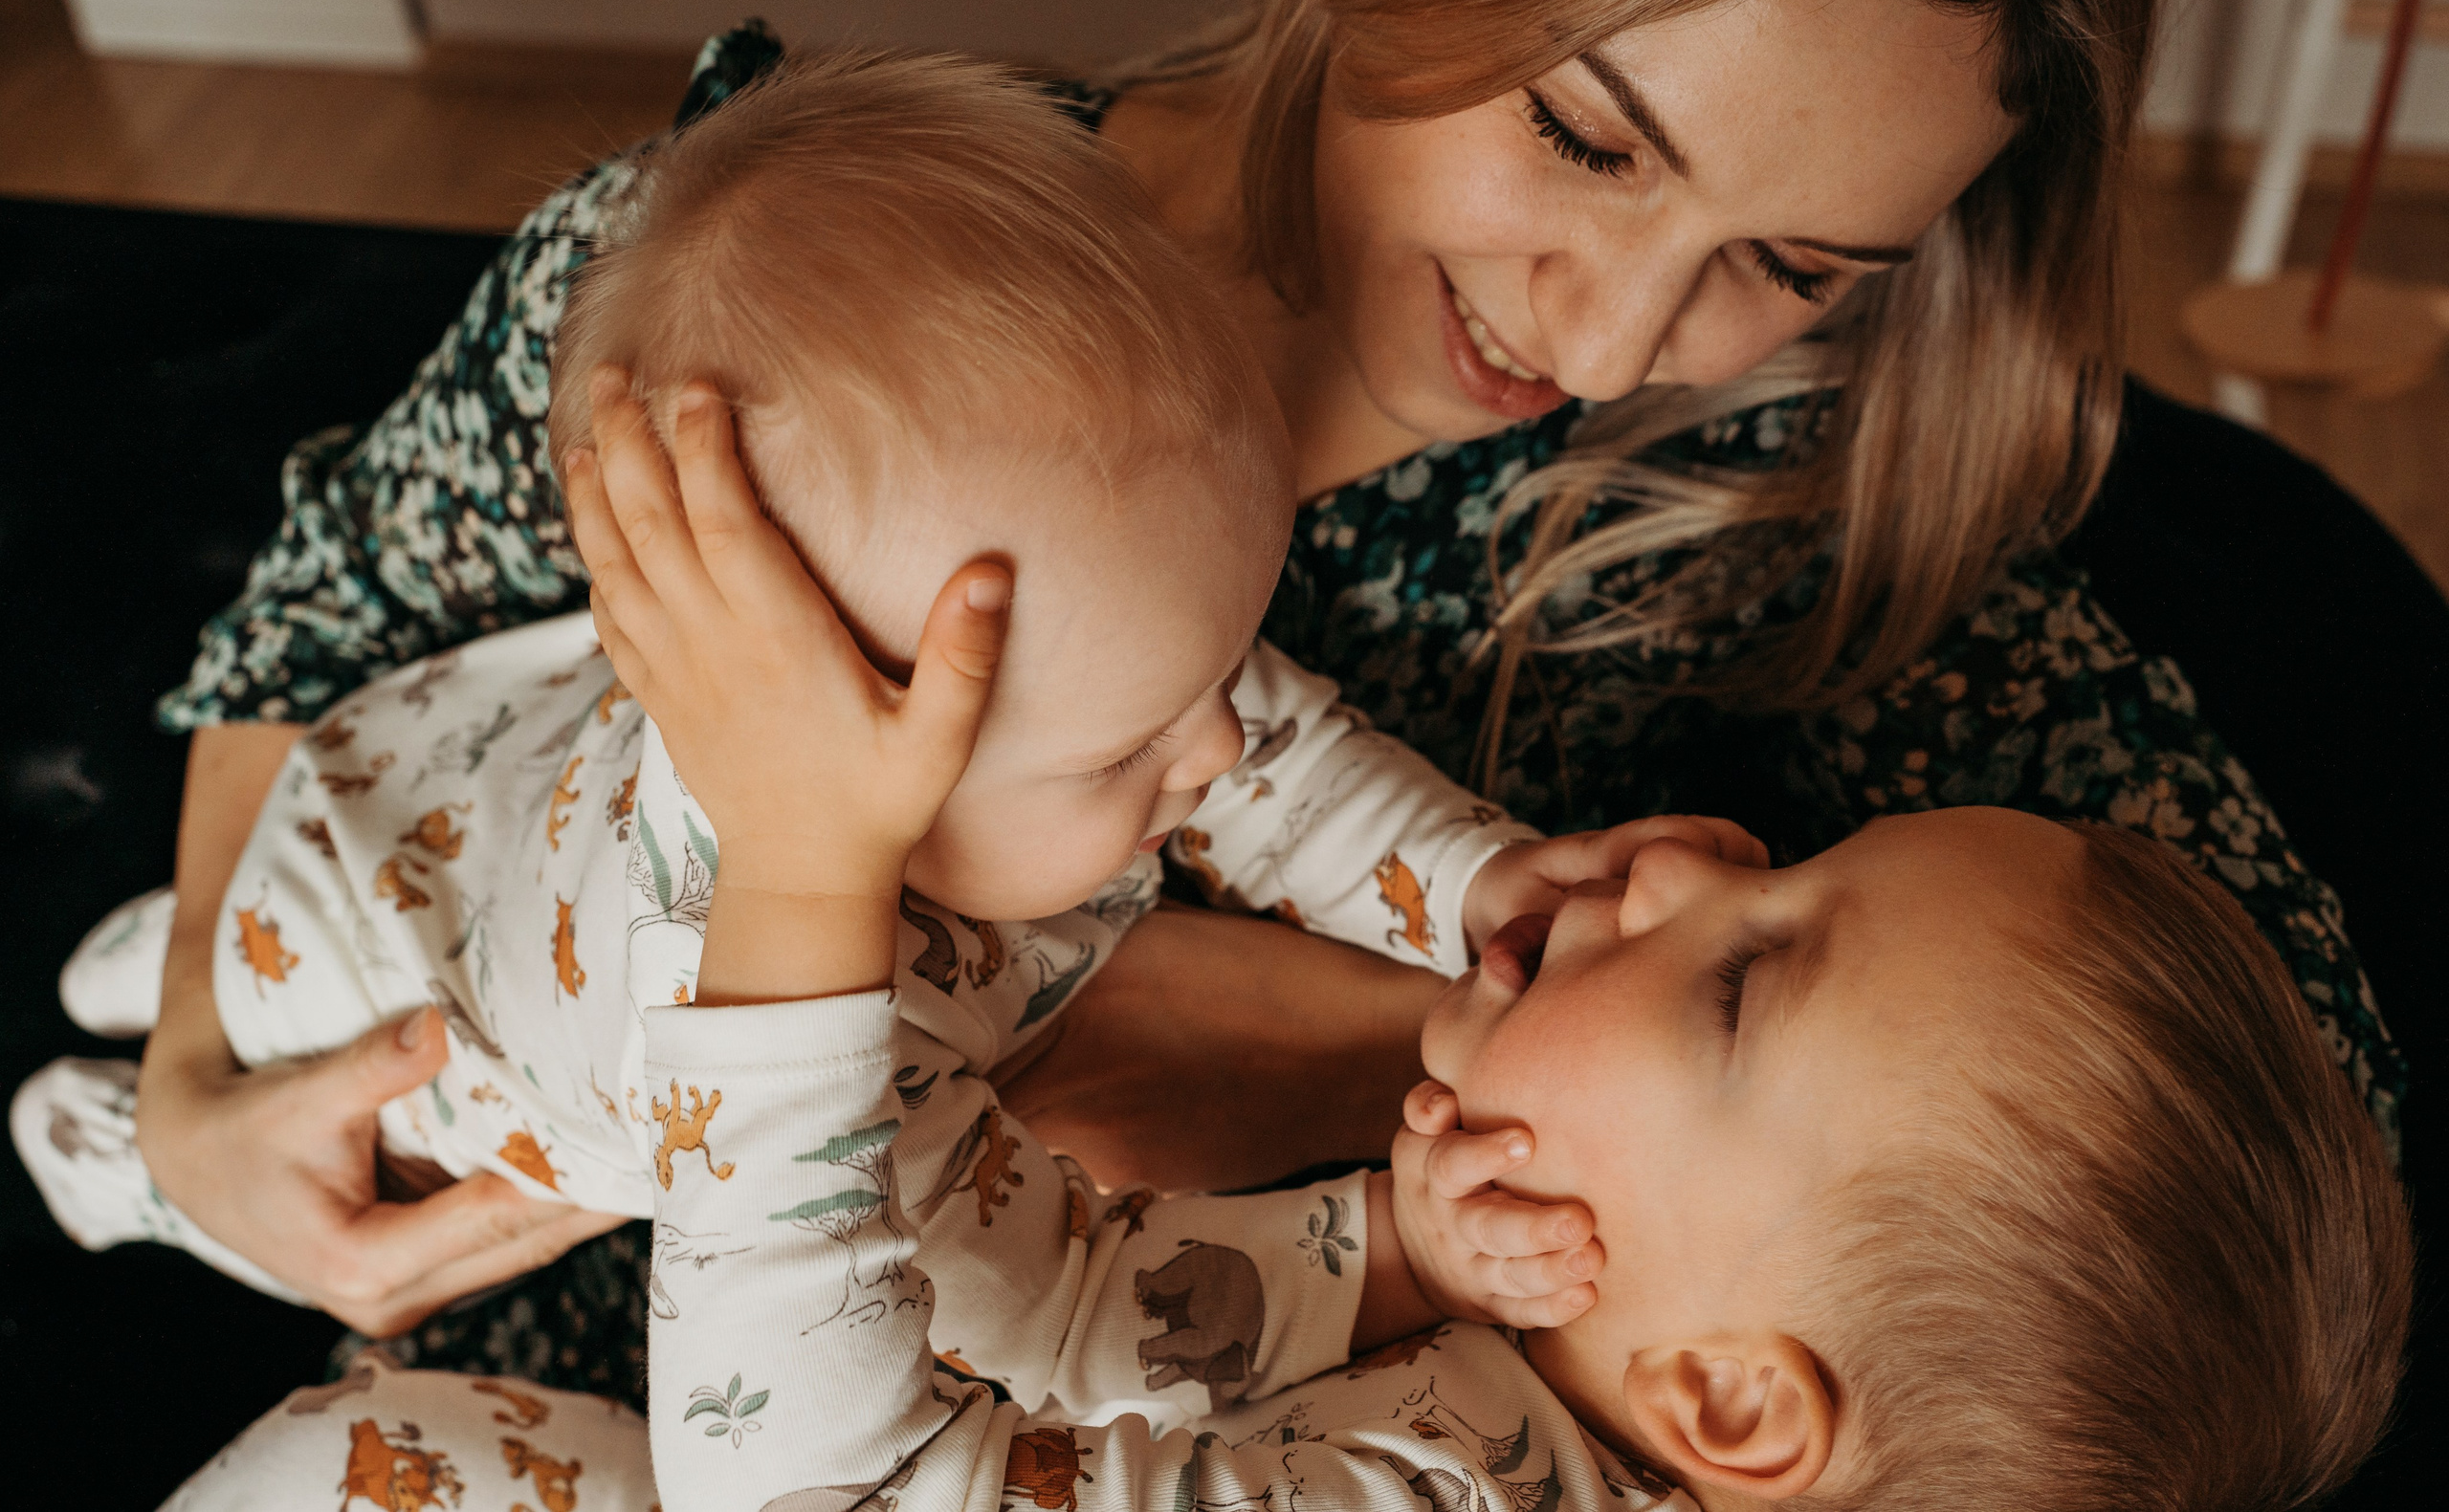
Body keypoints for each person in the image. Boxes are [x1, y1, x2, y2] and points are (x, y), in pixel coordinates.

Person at [120, 0, 2396, 1391]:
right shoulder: (793, 263)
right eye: (1587, 141)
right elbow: (331, 616)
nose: (1610, 339)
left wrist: (1437, 1039)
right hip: (611, 1294)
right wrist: (200, 1090)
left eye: (1789, 263)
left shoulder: (1742, 511)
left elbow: (2277, 1103)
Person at [21, 54, 1689, 1419]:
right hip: (412, 1018)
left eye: (1209, 688)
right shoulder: (816, 1052)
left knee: (303, 888)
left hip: (442, 779)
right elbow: (1079, 1307)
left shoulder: (1074, 670)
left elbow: (1279, 762)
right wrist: (1394, 1249)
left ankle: (158, 952)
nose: (1212, 763)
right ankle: (115, 1144)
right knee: (306, 1103)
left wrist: (1474, 880)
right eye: (1126, 757)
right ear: (862, 734)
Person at [158, 515, 2413, 1512]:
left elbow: (821, 1479)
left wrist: (804, 903)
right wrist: (1398, 1252)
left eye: (1748, 970)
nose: (1699, 849)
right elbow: (1099, 1375)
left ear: (1730, 1397)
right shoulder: (1530, 1406)